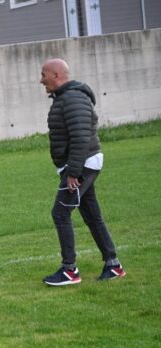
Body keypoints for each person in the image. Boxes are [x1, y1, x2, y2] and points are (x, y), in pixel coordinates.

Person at [39, 58, 126, 286]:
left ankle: (70, 270)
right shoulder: (66, 98)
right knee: (91, 215)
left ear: (57, 75)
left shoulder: (73, 98)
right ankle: (113, 265)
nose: (41, 80)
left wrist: (73, 172)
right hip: (82, 164)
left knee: (60, 213)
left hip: (81, 165)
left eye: (44, 74)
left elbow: (80, 138)